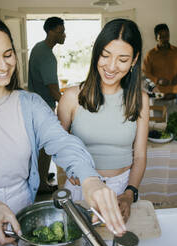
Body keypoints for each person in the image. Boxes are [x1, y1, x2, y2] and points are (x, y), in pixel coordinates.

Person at [0, 14, 127, 246]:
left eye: (8, 54)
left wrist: (89, 179)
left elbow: (62, 142)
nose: (3, 66)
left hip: (24, 213)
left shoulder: (29, 104)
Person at [58, 19, 149, 222]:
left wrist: (129, 193)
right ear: (96, 53)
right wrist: (69, 167)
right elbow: (58, 145)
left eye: (122, 59)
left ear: (134, 60)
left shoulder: (140, 99)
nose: (111, 66)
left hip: (121, 188)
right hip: (81, 186)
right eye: (105, 55)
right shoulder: (72, 97)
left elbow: (140, 156)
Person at [28, 17, 66, 193]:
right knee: (45, 148)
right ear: (51, 31)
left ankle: (40, 176)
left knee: (39, 147)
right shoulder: (47, 56)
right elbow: (52, 88)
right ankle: (42, 184)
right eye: (60, 31)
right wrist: (67, 104)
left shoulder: (38, 48)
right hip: (44, 107)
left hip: (35, 105)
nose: (63, 34)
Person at [143, 23, 177, 116]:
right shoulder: (150, 54)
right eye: (161, 37)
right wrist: (157, 80)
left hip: (174, 96)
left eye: (167, 36)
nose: (165, 39)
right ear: (156, 38)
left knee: (174, 125)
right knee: (159, 126)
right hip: (158, 97)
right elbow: (145, 73)